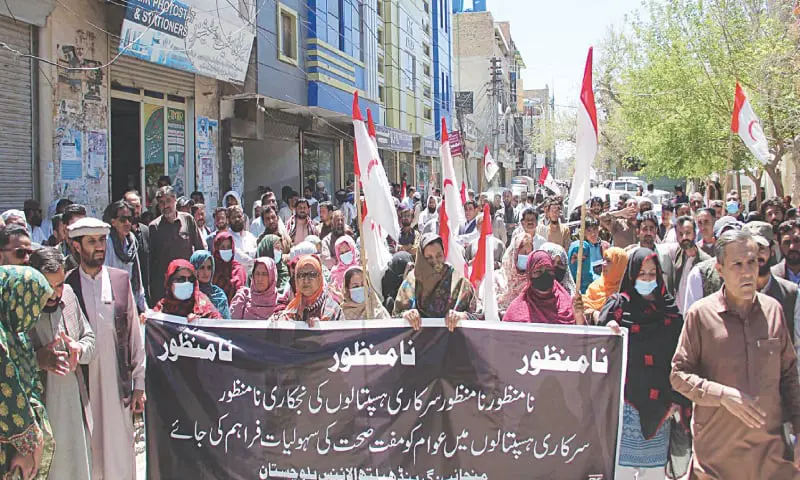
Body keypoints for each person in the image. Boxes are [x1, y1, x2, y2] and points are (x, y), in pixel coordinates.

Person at [670, 230, 800, 479]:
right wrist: (722, 395)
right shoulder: (701, 316)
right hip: (717, 464)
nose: (747, 271)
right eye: (737, 264)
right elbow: (678, 375)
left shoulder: (774, 311)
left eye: (752, 262)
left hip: (770, 462)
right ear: (720, 270)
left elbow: (789, 377)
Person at [64, 217, 145, 480]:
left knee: (120, 453)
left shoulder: (121, 281)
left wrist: (139, 385)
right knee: (89, 453)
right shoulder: (67, 287)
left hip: (117, 384)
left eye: (101, 240)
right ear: (76, 246)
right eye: (91, 242)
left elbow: (134, 335)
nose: (99, 247)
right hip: (83, 387)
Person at [598, 247, 689, 479]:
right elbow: (599, 347)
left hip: (661, 407)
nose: (648, 279)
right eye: (642, 274)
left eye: (652, 274)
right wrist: (608, 332)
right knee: (622, 472)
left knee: (654, 473)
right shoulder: (619, 307)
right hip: (626, 405)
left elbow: (681, 356)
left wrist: (678, 400)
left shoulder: (669, 311)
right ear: (631, 276)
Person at [29, 248, 95, 480]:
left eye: (59, 285)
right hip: (42, 415)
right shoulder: (22, 308)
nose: (56, 294)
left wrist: (80, 349)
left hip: (75, 411)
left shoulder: (68, 296)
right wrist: (38, 360)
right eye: (49, 287)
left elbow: (90, 339)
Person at [0, 266, 56, 479]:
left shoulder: (16, 335)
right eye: (32, 306)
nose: (34, 315)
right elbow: (7, 390)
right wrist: (27, 445)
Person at [393, 233, 476, 330]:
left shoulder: (459, 282)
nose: (435, 262)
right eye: (429, 258)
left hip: (452, 342)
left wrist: (461, 316)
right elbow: (395, 316)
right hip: (417, 343)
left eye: (439, 255)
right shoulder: (412, 281)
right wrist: (407, 315)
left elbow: (478, 317)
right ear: (421, 258)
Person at [742, 221, 800, 345]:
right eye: (751, 248)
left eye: (761, 248)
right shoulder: (732, 292)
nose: (756, 254)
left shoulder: (791, 293)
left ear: (772, 250)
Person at [148, 186, 204, 306]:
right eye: (161, 203)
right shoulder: (154, 227)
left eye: (168, 201)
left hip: (187, 282)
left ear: (175, 200)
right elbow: (152, 262)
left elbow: (200, 250)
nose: (165, 206)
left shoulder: (188, 220)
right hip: (165, 288)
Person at [682, 217, 743, 313]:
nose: (732, 245)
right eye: (725, 240)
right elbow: (691, 318)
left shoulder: (751, 271)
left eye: (736, 240)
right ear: (715, 241)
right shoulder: (699, 274)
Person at [502, 250, 581, 324]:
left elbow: (580, 336)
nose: (544, 275)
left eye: (549, 270)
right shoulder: (517, 309)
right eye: (538, 271)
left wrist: (579, 317)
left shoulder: (567, 304)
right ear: (530, 275)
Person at [103, 199, 147, 313]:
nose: (127, 223)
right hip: (113, 304)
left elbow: (137, 277)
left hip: (131, 301)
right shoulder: (107, 242)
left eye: (130, 219)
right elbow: (105, 276)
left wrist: (144, 308)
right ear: (113, 221)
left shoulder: (131, 240)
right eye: (123, 219)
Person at [278, 255, 342, 324]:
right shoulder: (292, 310)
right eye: (301, 275)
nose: (306, 280)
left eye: (311, 275)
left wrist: (321, 327)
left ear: (320, 278)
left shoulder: (332, 309)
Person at [153, 260, 222, 320]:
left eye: (191, 279)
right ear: (170, 283)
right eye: (181, 279)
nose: (187, 283)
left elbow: (219, 327)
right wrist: (144, 322)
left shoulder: (202, 304)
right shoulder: (162, 307)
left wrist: (200, 322)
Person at [669, 216, 711, 313]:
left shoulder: (705, 261)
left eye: (688, 233)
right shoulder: (677, 254)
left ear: (695, 234)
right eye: (680, 234)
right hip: (678, 316)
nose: (684, 238)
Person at [582, 247, 628, 324]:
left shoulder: (626, 292)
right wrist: (593, 313)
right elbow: (584, 309)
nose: (603, 264)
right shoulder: (594, 287)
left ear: (620, 265)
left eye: (608, 261)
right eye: (603, 260)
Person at [496, 233, 535, 315]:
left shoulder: (532, 282)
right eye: (524, 253)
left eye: (529, 253)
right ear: (514, 254)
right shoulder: (497, 279)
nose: (527, 257)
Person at [123, 190, 150, 304]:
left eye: (137, 206)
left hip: (144, 294)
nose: (135, 210)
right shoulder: (119, 233)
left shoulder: (146, 230)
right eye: (131, 206)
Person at [189, 251, 231, 319]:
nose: (206, 272)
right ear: (194, 269)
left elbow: (226, 323)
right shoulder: (189, 293)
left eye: (209, 268)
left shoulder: (218, 293)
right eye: (202, 267)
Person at [212, 231, 247, 303]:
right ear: (217, 249)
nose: (226, 250)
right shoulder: (212, 270)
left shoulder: (239, 269)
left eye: (228, 247)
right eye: (222, 247)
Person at [227, 205, 257, 272]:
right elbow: (238, 257)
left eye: (239, 216)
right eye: (234, 217)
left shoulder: (250, 236)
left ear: (243, 218)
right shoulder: (227, 237)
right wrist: (254, 259)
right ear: (228, 220)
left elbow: (259, 251)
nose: (237, 219)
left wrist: (247, 253)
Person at [329, 236, 360, 302]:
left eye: (347, 251)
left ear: (353, 250)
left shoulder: (360, 268)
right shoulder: (335, 272)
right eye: (342, 253)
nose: (345, 254)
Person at [773, 219, 800, 285]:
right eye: (787, 242)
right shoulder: (772, 277)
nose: (792, 247)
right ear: (780, 246)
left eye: (796, 241)